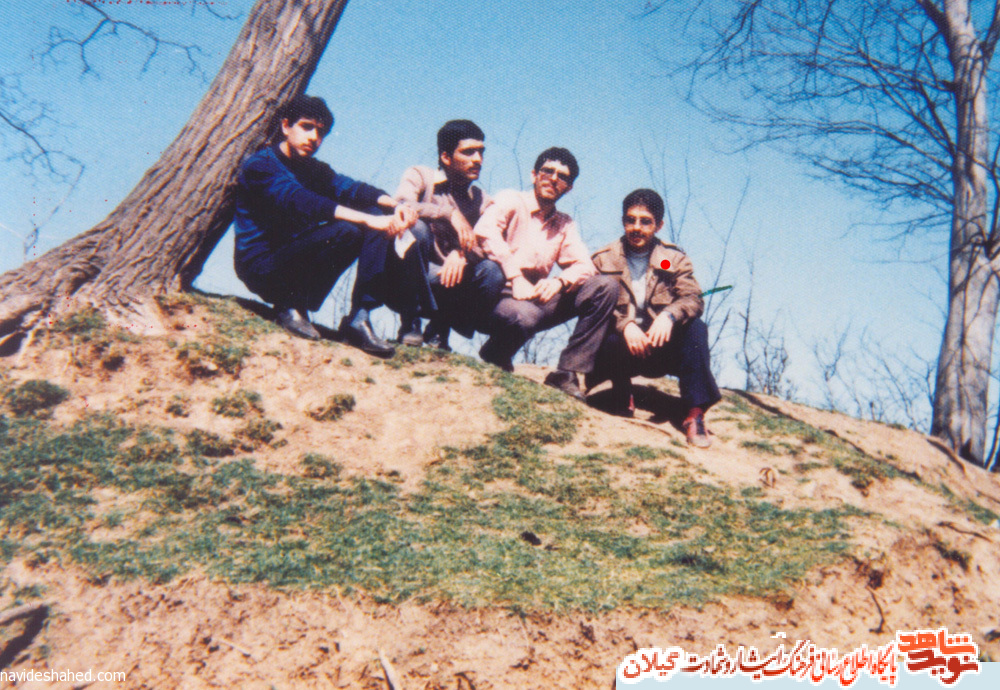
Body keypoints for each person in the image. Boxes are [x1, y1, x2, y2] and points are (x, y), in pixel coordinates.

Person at [233, 94, 425, 357]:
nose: (314, 137)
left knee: (373, 212)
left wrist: (394, 206)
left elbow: (351, 188)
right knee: (355, 225)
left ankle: (360, 316)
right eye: (306, 127)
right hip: (263, 266)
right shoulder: (261, 166)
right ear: (286, 126)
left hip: (298, 258)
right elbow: (303, 201)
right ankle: (289, 305)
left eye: (321, 132)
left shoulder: (314, 169)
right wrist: (370, 220)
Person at [474, 147, 617, 400]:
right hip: (495, 295)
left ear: (569, 188)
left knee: (605, 286)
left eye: (562, 177)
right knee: (525, 316)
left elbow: (585, 266)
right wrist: (515, 276)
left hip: (534, 298)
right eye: (547, 171)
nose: (553, 179)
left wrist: (560, 282)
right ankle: (497, 352)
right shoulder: (511, 199)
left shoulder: (565, 223)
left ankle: (566, 372)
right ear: (534, 175)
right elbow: (485, 232)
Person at [589, 188, 721, 447]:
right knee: (603, 330)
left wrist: (669, 315)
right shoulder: (604, 260)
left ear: (659, 225)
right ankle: (621, 393)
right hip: (619, 348)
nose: (637, 228)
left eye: (645, 221)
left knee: (696, 328)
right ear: (623, 221)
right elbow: (592, 305)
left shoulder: (668, 261)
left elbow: (692, 298)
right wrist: (624, 325)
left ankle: (695, 413)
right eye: (631, 220)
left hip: (660, 345)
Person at [394, 120, 504, 349]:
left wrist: (461, 253)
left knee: (492, 271)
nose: (478, 159)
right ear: (446, 157)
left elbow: (489, 243)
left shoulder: (482, 200)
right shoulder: (420, 176)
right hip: (405, 275)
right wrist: (448, 213)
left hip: (450, 279)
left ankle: (440, 326)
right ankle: (410, 322)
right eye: (468, 152)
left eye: (481, 152)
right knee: (416, 227)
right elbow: (401, 206)